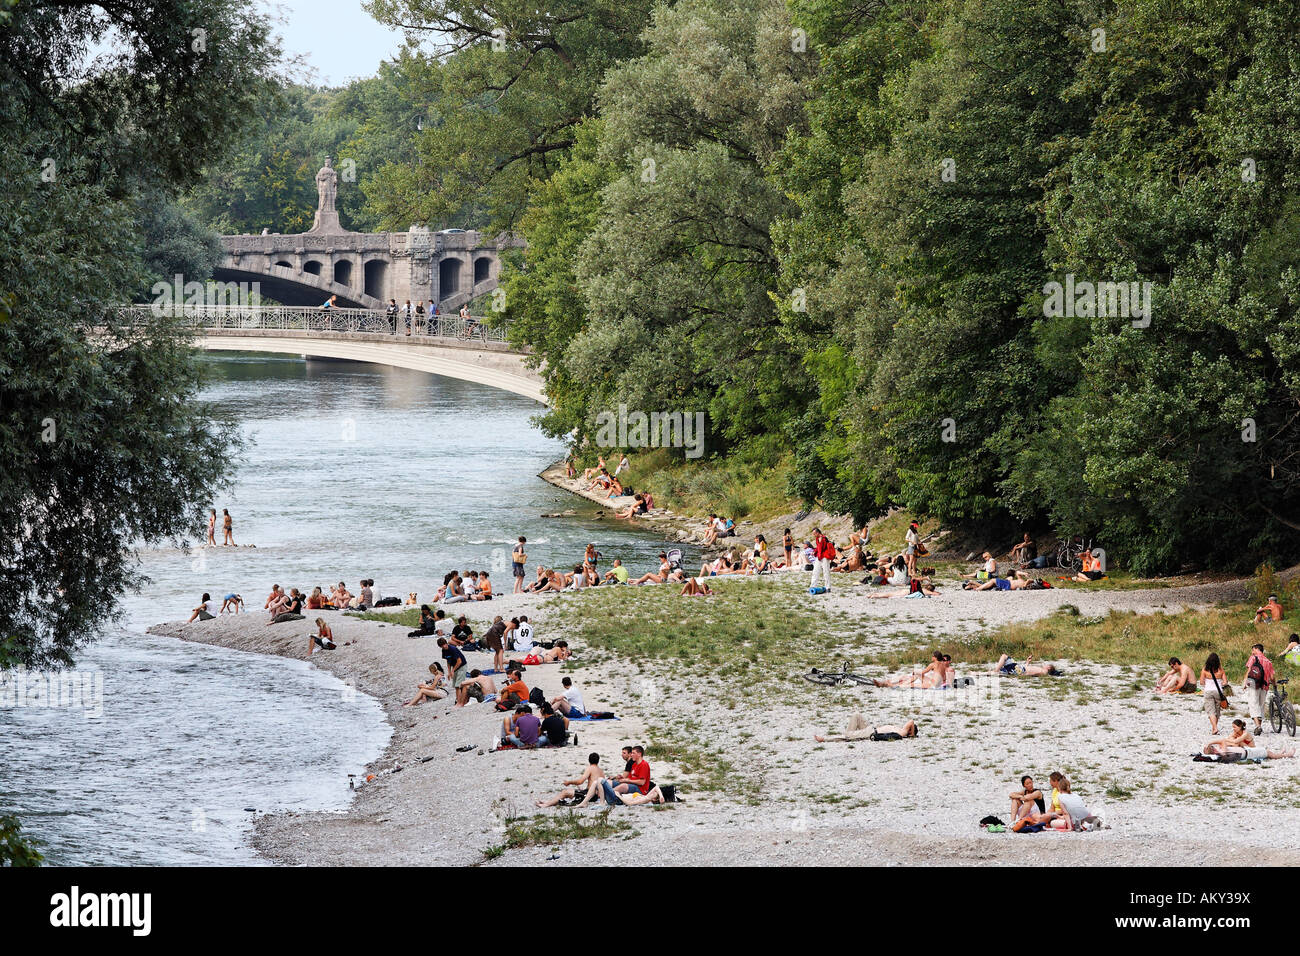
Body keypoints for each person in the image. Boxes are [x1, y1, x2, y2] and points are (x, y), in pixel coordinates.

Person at [536, 753, 605, 808]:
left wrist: (569, 782)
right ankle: (548, 802)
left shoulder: (590, 768)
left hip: (588, 795)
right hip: (594, 796)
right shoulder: (601, 771)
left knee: (565, 792)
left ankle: (546, 805)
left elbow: (580, 781)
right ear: (598, 761)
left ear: (589, 760)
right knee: (571, 792)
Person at [1243, 643, 1275, 736]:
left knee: (1253, 704)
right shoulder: (1268, 661)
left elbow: (1249, 671)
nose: (1252, 652)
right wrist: (1274, 685)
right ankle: (1259, 726)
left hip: (1253, 684)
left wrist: (1245, 682)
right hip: (1265, 686)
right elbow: (1272, 677)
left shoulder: (1253, 658)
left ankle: (1258, 726)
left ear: (1257, 649)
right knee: (1261, 705)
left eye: (1253, 650)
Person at [813, 714, 918, 742]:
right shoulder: (899, 729)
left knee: (848, 736)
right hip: (871, 728)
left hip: (871, 733)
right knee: (856, 715)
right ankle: (848, 735)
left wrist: (912, 734)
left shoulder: (903, 733)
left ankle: (825, 739)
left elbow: (911, 721)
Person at [1201, 652, 1228, 734]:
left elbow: (1202, 682)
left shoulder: (1205, 670)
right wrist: (1220, 683)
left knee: (1210, 711)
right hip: (1218, 692)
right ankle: (1214, 728)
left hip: (1208, 691)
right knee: (1217, 711)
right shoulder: (1220, 670)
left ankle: (1215, 728)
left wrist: (1207, 682)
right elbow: (1225, 682)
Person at [437, 638, 470, 705]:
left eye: (444, 645)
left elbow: (459, 661)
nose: (444, 647)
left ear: (446, 643)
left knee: (459, 685)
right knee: (455, 686)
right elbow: (448, 661)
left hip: (462, 666)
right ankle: (458, 700)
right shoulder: (444, 650)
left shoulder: (453, 649)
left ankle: (460, 702)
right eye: (442, 646)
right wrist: (449, 672)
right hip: (455, 667)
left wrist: (452, 670)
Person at [989, 654, 1061, 677]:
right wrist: (1027, 662)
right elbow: (1029, 669)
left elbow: (1030, 673)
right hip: (1020, 668)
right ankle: (996, 671)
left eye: (1047, 665)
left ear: (1049, 667)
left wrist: (1023, 674)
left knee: (1004, 656)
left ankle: (996, 671)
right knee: (1004, 661)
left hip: (1020, 670)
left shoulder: (1044, 671)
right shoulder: (1042, 670)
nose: (1045, 665)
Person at [810, 528, 835, 593]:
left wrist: (820, 542)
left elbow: (821, 548)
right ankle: (813, 586)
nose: (814, 535)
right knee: (815, 571)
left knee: (826, 572)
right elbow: (818, 548)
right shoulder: (818, 538)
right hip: (820, 557)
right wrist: (814, 551)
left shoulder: (823, 538)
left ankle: (828, 587)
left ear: (818, 533)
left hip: (824, 557)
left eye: (814, 533)